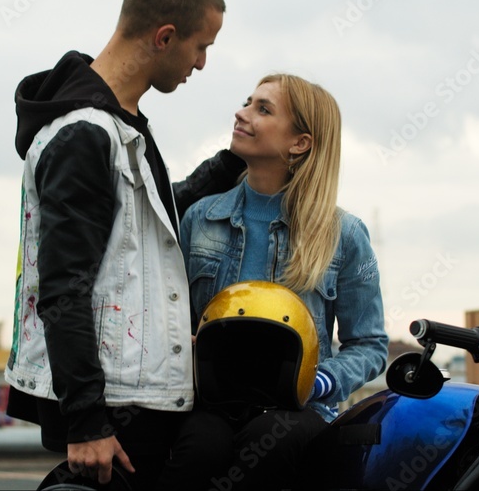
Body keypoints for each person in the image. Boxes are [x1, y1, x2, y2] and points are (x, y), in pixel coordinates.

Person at [4, 0, 245, 490]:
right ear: (164, 37)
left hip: (133, 388)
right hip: (114, 399)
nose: (201, 63)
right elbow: (63, 287)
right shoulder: (85, 133)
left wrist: (228, 165)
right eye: (201, 46)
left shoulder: (119, 121)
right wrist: (86, 422)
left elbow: (142, 226)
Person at [157, 73, 390, 491]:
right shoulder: (200, 217)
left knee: (269, 441)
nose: (241, 113)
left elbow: (369, 344)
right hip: (213, 401)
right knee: (198, 450)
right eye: (248, 102)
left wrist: (318, 382)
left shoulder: (344, 234)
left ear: (299, 142)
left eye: (262, 109)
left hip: (299, 409)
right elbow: (173, 315)